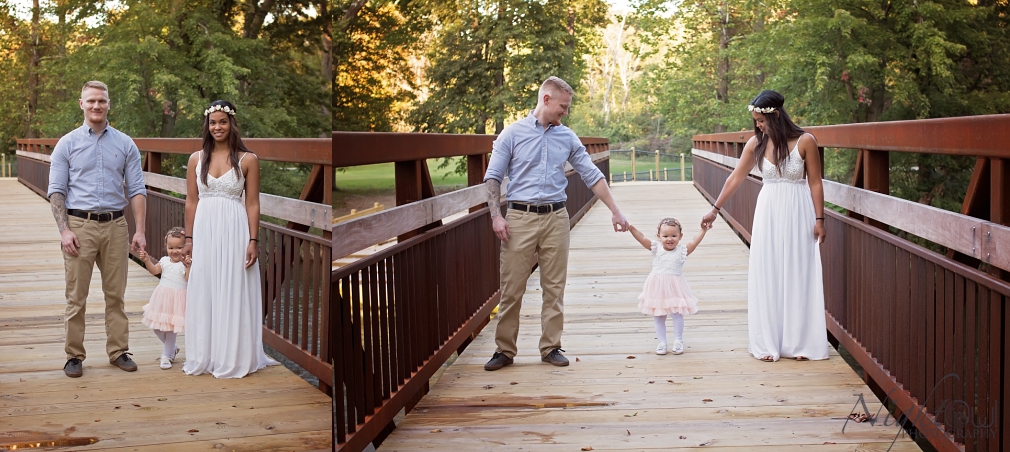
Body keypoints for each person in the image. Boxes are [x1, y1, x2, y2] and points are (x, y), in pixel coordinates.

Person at [482, 76, 630, 371]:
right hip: (519, 218)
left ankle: (551, 346)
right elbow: (493, 177)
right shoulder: (512, 134)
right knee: (512, 288)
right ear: (546, 100)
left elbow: (591, 175)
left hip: (556, 218)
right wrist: (496, 215)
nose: (566, 113)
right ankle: (504, 350)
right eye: (563, 107)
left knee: (555, 287)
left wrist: (615, 210)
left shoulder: (568, 137)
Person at [700, 89, 829, 362]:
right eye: (756, 121)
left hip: (798, 210)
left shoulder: (806, 141)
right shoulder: (755, 144)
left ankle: (799, 344)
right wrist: (715, 209)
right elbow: (735, 179)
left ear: (776, 115)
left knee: (798, 271)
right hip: (768, 212)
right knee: (769, 271)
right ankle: (769, 342)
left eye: (761, 120)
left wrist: (820, 219)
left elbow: (815, 182)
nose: (758, 125)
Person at [47, 80, 147, 378]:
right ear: (82, 104)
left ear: (108, 104)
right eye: (91, 101)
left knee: (115, 294)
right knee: (76, 297)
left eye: (101, 101)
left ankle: (118, 351)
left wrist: (139, 231)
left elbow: (138, 189)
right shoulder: (67, 143)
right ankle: (74, 355)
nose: (96, 106)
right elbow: (56, 191)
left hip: (116, 226)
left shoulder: (125, 143)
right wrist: (64, 230)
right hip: (79, 225)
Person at [182, 100, 278, 378]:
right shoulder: (195, 159)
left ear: (232, 124)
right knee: (205, 286)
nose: (217, 127)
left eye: (222, 122)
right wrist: (189, 239)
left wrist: (253, 240)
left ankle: (233, 355)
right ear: (207, 126)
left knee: (232, 286)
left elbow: (252, 204)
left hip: (235, 229)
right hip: (204, 229)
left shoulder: (248, 160)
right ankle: (206, 355)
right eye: (213, 122)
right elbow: (191, 201)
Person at [627, 218, 708, 355]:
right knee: (659, 316)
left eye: (674, 236)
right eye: (665, 236)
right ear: (658, 236)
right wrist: (630, 227)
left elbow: (694, 241)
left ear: (680, 236)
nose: (669, 239)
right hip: (657, 287)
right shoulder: (656, 248)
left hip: (675, 287)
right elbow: (641, 238)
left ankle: (678, 340)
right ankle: (662, 342)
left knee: (676, 314)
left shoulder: (682, 251)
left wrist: (703, 230)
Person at [137, 227, 191, 370]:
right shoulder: (164, 261)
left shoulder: (185, 263)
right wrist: (147, 260)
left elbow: (188, 279)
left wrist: (189, 267)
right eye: (171, 247)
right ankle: (172, 348)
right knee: (157, 328)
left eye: (179, 247)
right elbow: (154, 271)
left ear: (185, 248)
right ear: (166, 247)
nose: (175, 251)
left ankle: (166, 355)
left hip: (177, 299)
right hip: (162, 299)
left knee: (170, 329)